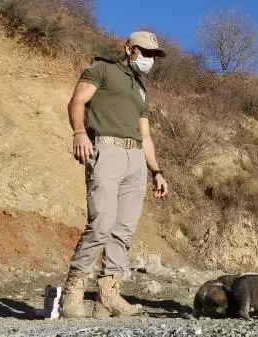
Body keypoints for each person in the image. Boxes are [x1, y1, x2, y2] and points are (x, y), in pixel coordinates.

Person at [61, 31, 169, 318]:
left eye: (153, 55)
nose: (149, 59)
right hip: (106, 149)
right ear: (128, 48)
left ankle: (107, 296)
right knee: (101, 224)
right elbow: (77, 101)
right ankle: (72, 293)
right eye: (144, 52)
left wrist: (156, 171)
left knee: (123, 231)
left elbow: (145, 135)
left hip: (136, 158)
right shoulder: (101, 69)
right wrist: (80, 132)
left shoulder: (141, 88)